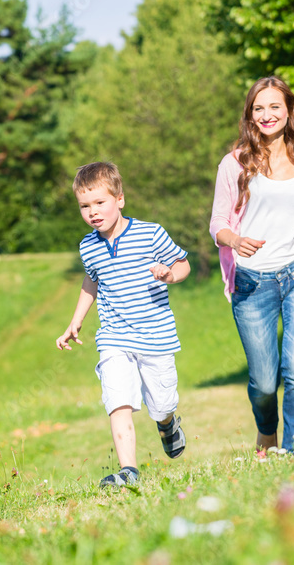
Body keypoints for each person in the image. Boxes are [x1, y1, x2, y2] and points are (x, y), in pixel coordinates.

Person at [210, 77, 294, 454]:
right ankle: (267, 432)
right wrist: (235, 240)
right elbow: (217, 223)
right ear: (250, 116)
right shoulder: (234, 164)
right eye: (258, 108)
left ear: (289, 111)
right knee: (265, 382)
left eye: (274, 107)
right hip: (252, 282)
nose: (267, 115)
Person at [57, 161, 190, 488]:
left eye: (99, 202)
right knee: (118, 400)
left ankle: (167, 423)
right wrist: (75, 322)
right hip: (115, 337)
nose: (92, 212)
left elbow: (183, 263)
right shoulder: (88, 246)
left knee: (162, 403)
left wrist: (169, 274)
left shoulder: (150, 233)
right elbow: (92, 282)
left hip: (155, 336)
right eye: (84, 206)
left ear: (120, 199)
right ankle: (128, 470)